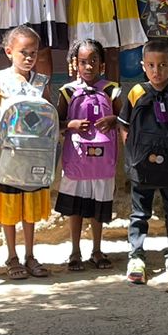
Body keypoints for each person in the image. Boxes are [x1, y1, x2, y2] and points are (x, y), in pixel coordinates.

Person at [119, 40, 168, 283]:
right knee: (139, 213)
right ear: (143, 66)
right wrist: (132, 156)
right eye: (151, 65)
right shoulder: (137, 92)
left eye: (163, 65)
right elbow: (124, 126)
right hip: (142, 166)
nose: (157, 71)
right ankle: (137, 256)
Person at [0, 26, 54, 280]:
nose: (29, 57)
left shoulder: (41, 81)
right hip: (6, 156)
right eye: (24, 52)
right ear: (9, 51)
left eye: (33, 52)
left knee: (30, 209)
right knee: (10, 207)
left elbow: (49, 117)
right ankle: (12, 255)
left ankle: (30, 254)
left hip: (33, 156)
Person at [56, 37, 119, 272]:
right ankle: (75, 250)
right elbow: (58, 123)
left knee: (99, 206)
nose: (89, 66)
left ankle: (97, 249)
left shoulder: (112, 90)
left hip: (103, 163)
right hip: (77, 161)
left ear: (102, 64)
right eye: (83, 62)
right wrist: (70, 124)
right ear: (76, 64)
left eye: (94, 61)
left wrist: (113, 120)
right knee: (75, 207)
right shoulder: (68, 91)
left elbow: (124, 120)